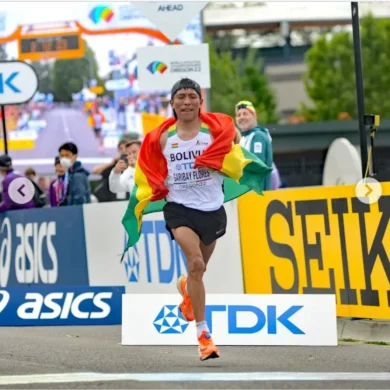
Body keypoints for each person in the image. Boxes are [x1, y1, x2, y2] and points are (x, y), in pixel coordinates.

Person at [122, 78, 272, 361]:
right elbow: (149, 168)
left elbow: (236, 152)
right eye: (181, 97)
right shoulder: (162, 138)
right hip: (178, 208)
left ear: (200, 102)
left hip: (212, 209)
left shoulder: (216, 132)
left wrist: (229, 157)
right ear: (172, 103)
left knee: (197, 273)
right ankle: (203, 335)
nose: (187, 101)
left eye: (192, 96)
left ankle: (187, 291)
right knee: (196, 263)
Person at [235, 100, 274, 191]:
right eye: (238, 115)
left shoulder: (258, 137)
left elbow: (256, 165)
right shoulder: (245, 138)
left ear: (254, 116)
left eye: (245, 114)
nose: (241, 117)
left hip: (257, 194)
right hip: (248, 193)